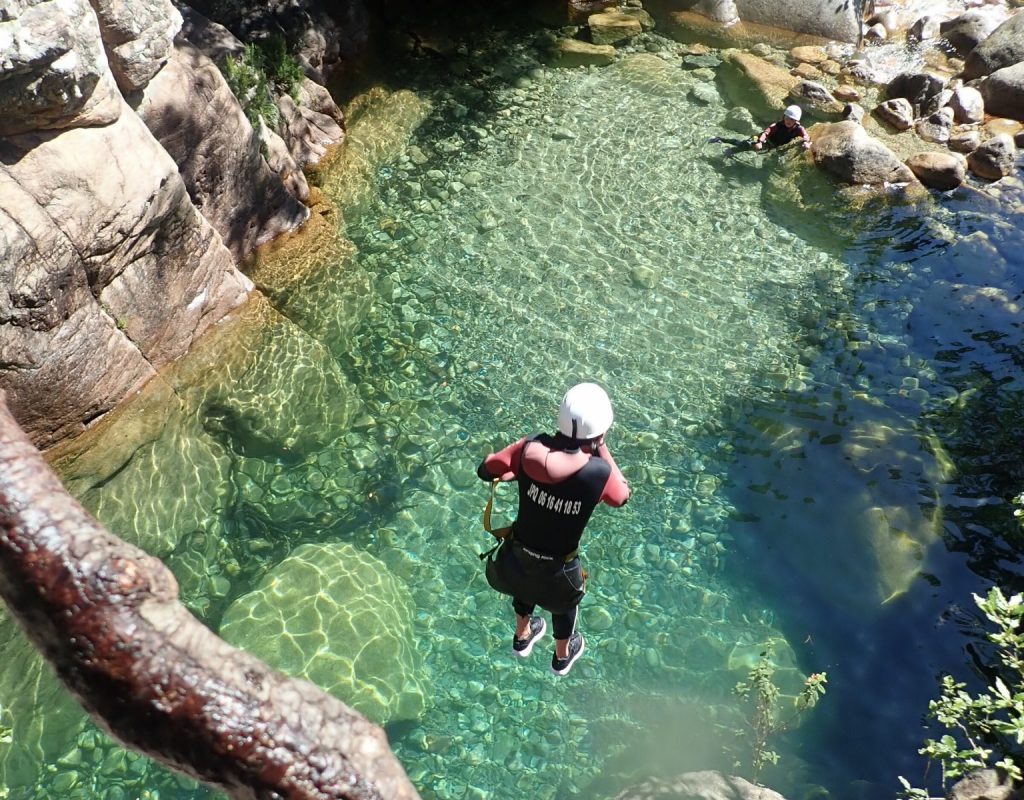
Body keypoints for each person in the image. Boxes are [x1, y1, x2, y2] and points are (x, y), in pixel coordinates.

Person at [476, 383, 630, 676]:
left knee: (527, 578)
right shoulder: (598, 472)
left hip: (513, 564)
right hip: (559, 577)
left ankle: (522, 638)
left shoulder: (529, 447)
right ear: (600, 431)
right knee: (563, 604)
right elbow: (621, 497)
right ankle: (562, 656)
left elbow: (486, 469)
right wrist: (600, 446)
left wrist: (518, 466)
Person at [709, 104, 812, 155]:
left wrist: (807, 143)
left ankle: (730, 149)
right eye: (787, 118)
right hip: (759, 138)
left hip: (770, 146)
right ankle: (721, 140)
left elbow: (806, 136)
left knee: (747, 147)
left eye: (792, 120)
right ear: (784, 116)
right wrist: (760, 142)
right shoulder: (777, 125)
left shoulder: (798, 129)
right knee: (744, 145)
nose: (789, 121)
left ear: (796, 121)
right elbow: (766, 133)